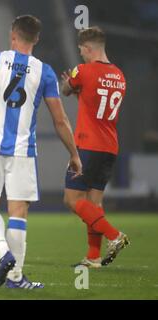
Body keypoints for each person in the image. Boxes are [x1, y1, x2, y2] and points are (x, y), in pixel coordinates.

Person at [0, 15, 82, 289]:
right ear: (37, 39)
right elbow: (60, 119)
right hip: (23, 152)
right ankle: (16, 276)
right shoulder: (45, 72)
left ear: (12, 35)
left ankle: (3, 252)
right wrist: (74, 154)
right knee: (18, 212)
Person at [61, 26, 129, 268]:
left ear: (88, 48)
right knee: (94, 203)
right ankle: (93, 256)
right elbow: (94, 103)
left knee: (71, 200)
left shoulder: (84, 70)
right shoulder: (120, 76)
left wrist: (69, 83)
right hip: (109, 146)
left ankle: (114, 235)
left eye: (81, 49)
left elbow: (66, 90)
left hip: (86, 144)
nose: (80, 54)